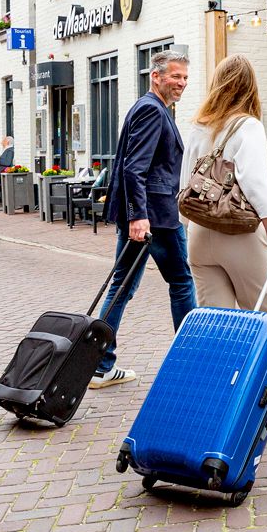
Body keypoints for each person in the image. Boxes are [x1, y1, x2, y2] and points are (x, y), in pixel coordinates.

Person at [90, 48, 198, 389]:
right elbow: (134, 168)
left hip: (145, 216)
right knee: (181, 282)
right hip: (156, 218)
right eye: (175, 76)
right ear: (156, 76)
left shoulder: (151, 107)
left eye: (185, 77)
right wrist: (139, 217)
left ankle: (100, 365)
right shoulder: (152, 110)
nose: (182, 82)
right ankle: (189, 361)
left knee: (122, 287)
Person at [181, 54, 267, 314]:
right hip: (240, 233)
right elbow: (256, 186)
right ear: (250, 86)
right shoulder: (248, 126)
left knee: (216, 323)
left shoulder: (198, 126)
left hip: (199, 233)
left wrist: (188, 227)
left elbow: (185, 182)